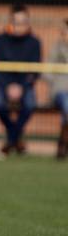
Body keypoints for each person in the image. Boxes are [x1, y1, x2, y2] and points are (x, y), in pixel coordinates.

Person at [0, 4, 41, 156]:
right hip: (2, 83)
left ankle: (11, 139)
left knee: (30, 104)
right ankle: (15, 137)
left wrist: (21, 87)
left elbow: (35, 70)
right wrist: (7, 86)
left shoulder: (34, 42)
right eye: (17, 22)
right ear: (10, 22)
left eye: (24, 22)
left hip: (25, 85)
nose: (20, 26)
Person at [47, 19, 68, 159]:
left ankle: (63, 142)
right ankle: (63, 143)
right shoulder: (56, 48)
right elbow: (46, 72)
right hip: (61, 90)